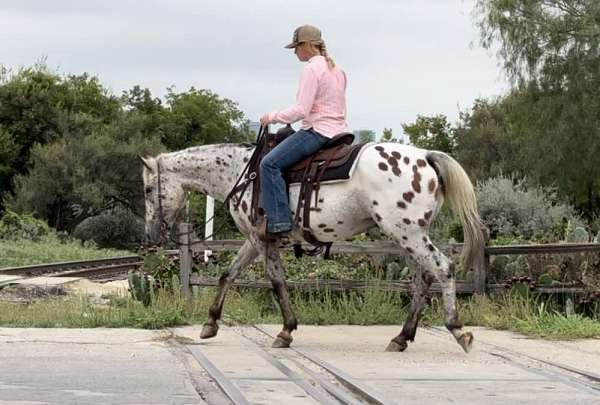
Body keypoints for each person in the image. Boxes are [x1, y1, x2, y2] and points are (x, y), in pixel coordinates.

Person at [258, 24, 350, 240]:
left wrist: (272, 116)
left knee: (268, 164)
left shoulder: (311, 69)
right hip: (340, 131)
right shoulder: (338, 70)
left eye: (296, 47)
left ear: (305, 45)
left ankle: (280, 221)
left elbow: (301, 110)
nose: (295, 52)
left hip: (317, 131)